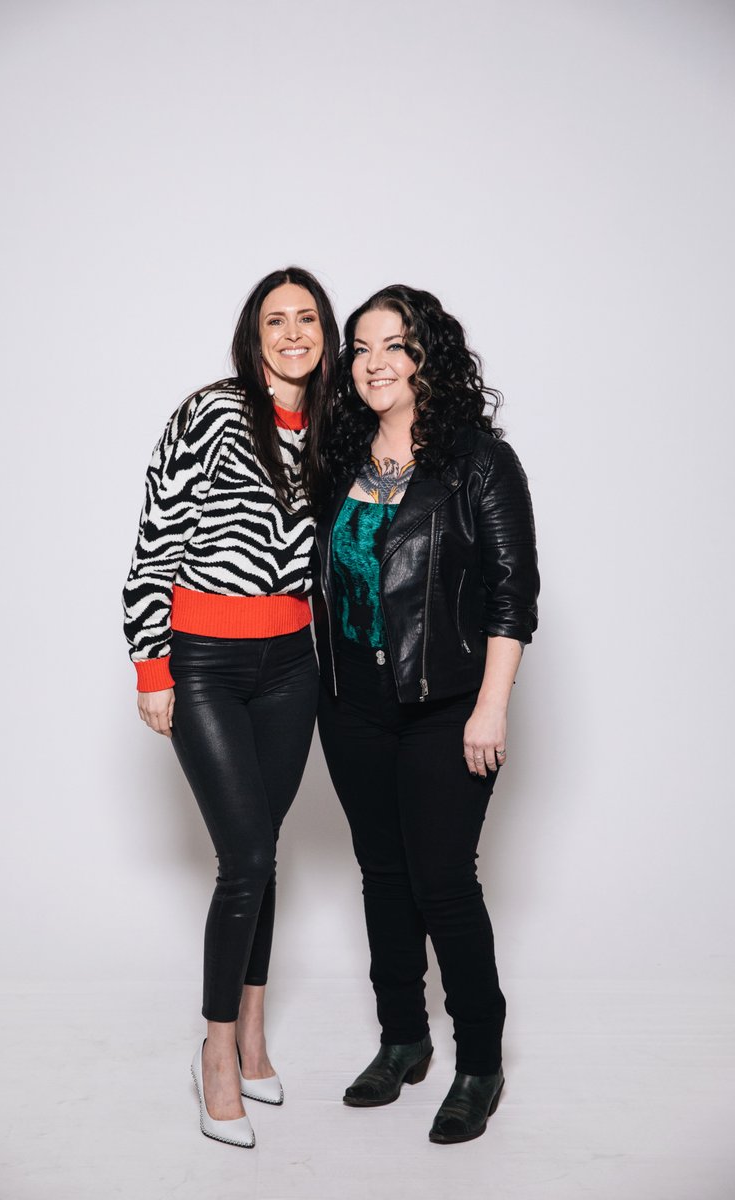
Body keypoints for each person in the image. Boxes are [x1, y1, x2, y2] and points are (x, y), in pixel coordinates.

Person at [314, 284, 539, 1144]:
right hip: (352, 704)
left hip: (448, 705)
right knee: (382, 873)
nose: (374, 363)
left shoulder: (479, 462)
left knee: (443, 881)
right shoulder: (339, 460)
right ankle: (402, 1039)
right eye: (361, 348)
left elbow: (513, 597)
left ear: (426, 357)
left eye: (394, 345)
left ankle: (479, 1062)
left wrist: (491, 708)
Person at [123, 267, 338, 1149]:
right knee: (244, 854)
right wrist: (152, 667)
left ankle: (253, 1034)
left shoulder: (331, 428)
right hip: (204, 660)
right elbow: (155, 538)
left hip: (293, 664)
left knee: (266, 848)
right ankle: (215, 1053)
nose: (292, 333)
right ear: (253, 336)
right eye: (274, 320)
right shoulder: (210, 412)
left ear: (325, 333)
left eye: (307, 318)